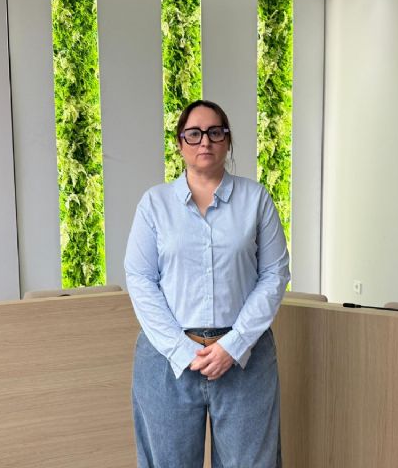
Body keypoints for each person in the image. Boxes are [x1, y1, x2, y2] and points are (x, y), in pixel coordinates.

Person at [124, 99, 290, 467]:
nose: (205, 141)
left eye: (215, 132)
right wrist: (181, 350)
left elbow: (275, 274)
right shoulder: (154, 204)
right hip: (167, 359)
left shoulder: (256, 200)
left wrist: (234, 344)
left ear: (227, 141)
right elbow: (140, 279)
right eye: (194, 134)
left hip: (244, 358)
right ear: (179, 143)